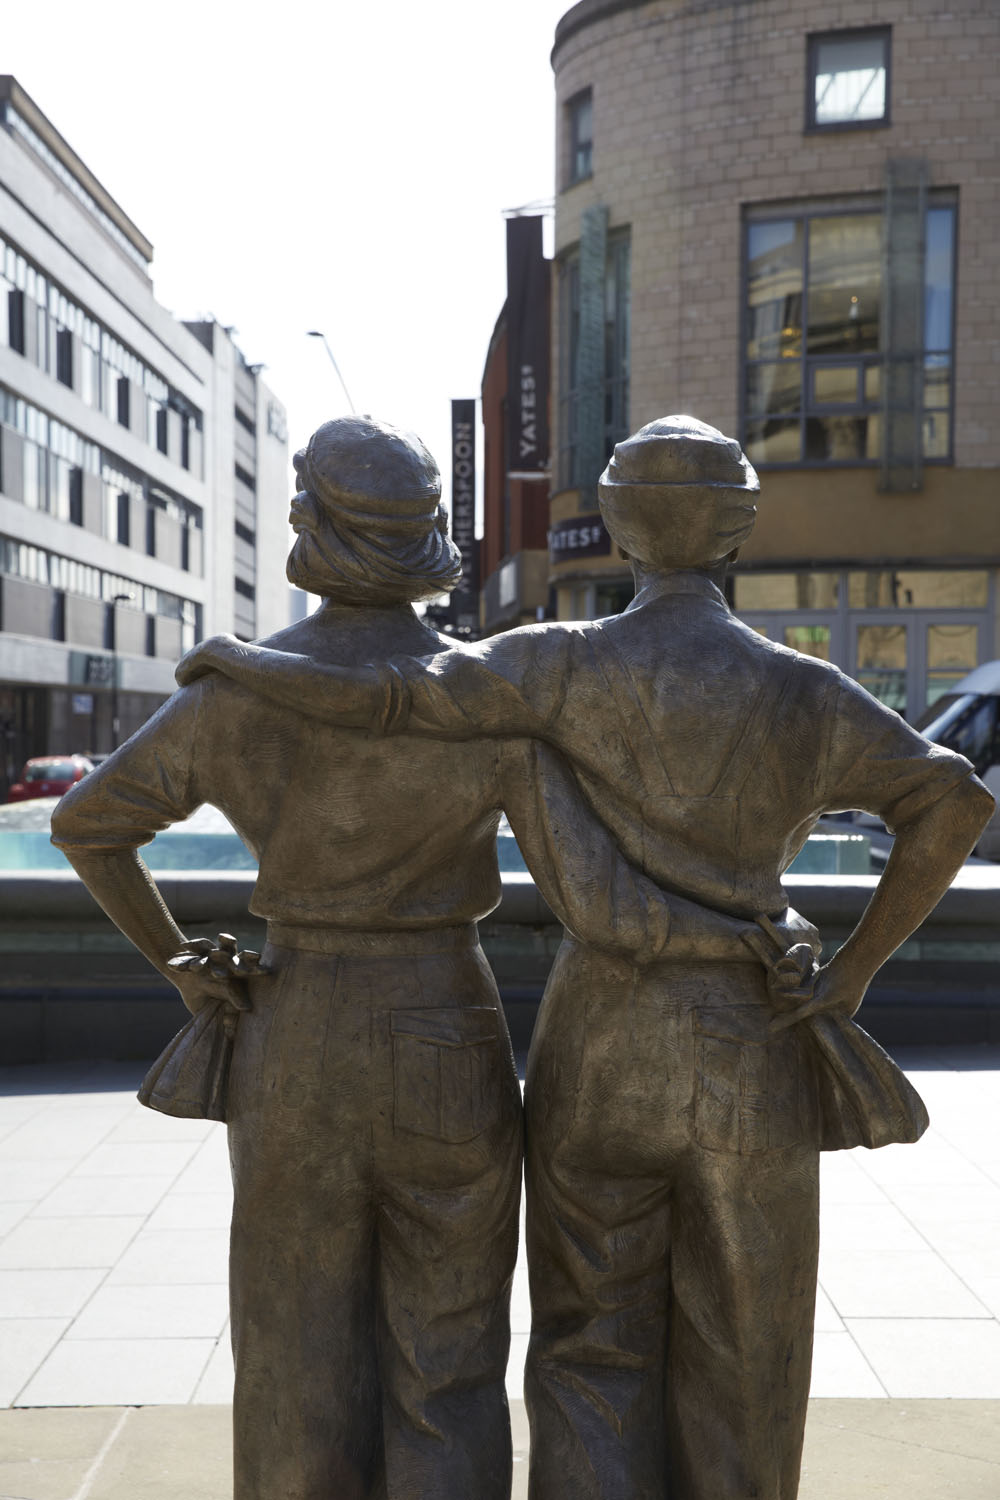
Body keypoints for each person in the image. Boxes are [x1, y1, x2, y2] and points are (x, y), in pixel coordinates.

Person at [179, 415, 994, 1500]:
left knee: (587, 1348)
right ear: (739, 530)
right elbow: (953, 803)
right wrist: (853, 970)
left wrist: (241, 658)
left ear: (613, 526)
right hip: (746, 1037)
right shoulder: (803, 694)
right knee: (749, 1354)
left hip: (597, 1040)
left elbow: (390, 696)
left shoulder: (556, 668)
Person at [52, 415, 811, 1500]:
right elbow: (589, 896)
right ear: (430, 540)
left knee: (290, 1345)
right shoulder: (487, 701)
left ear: (312, 527)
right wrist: (753, 933)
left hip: (296, 1017)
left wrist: (179, 961)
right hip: (445, 1020)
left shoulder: (235, 698)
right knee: (447, 1359)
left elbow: (88, 828)